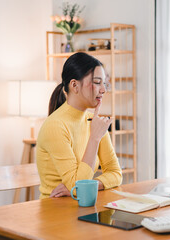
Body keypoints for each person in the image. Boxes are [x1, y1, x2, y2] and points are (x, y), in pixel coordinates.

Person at [36, 52, 123, 199]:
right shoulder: (55, 126)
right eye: (97, 82)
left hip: (84, 205)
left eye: (104, 83)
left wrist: (91, 185)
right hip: (55, 211)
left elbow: (116, 173)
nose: (103, 90)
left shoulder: (94, 122)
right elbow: (78, 186)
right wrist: (94, 138)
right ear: (75, 85)